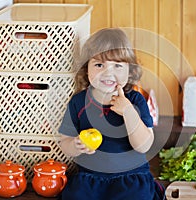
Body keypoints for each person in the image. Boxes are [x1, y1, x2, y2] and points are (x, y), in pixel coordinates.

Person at [58, 28, 165, 200]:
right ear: (87, 69)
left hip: (131, 176)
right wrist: (75, 144)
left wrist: (129, 112)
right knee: (74, 196)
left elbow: (144, 146)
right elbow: (64, 142)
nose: (108, 72)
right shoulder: (78, 102)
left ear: (129, 70)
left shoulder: (135, 100)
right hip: (90, 177)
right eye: (99, 65)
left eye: (117, 65)